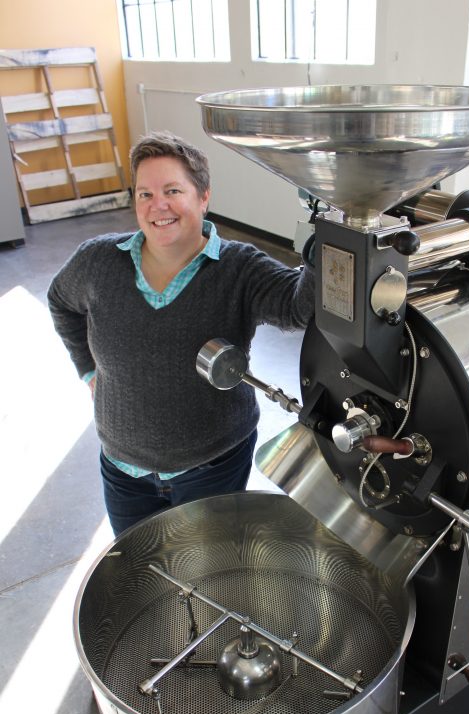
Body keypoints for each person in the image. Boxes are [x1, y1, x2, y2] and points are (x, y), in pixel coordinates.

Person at [48, 130, 315, 537]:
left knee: (206, 576)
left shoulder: (239, 268)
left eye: (173, 190)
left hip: (211, 466)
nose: (158, 206)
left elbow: (299, 310)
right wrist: (88, 370)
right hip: (123, 470)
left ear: (203, 197)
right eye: (145, 194)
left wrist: (322, 250)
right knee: (140, 575)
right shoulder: (98, 261)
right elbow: (61, 301)